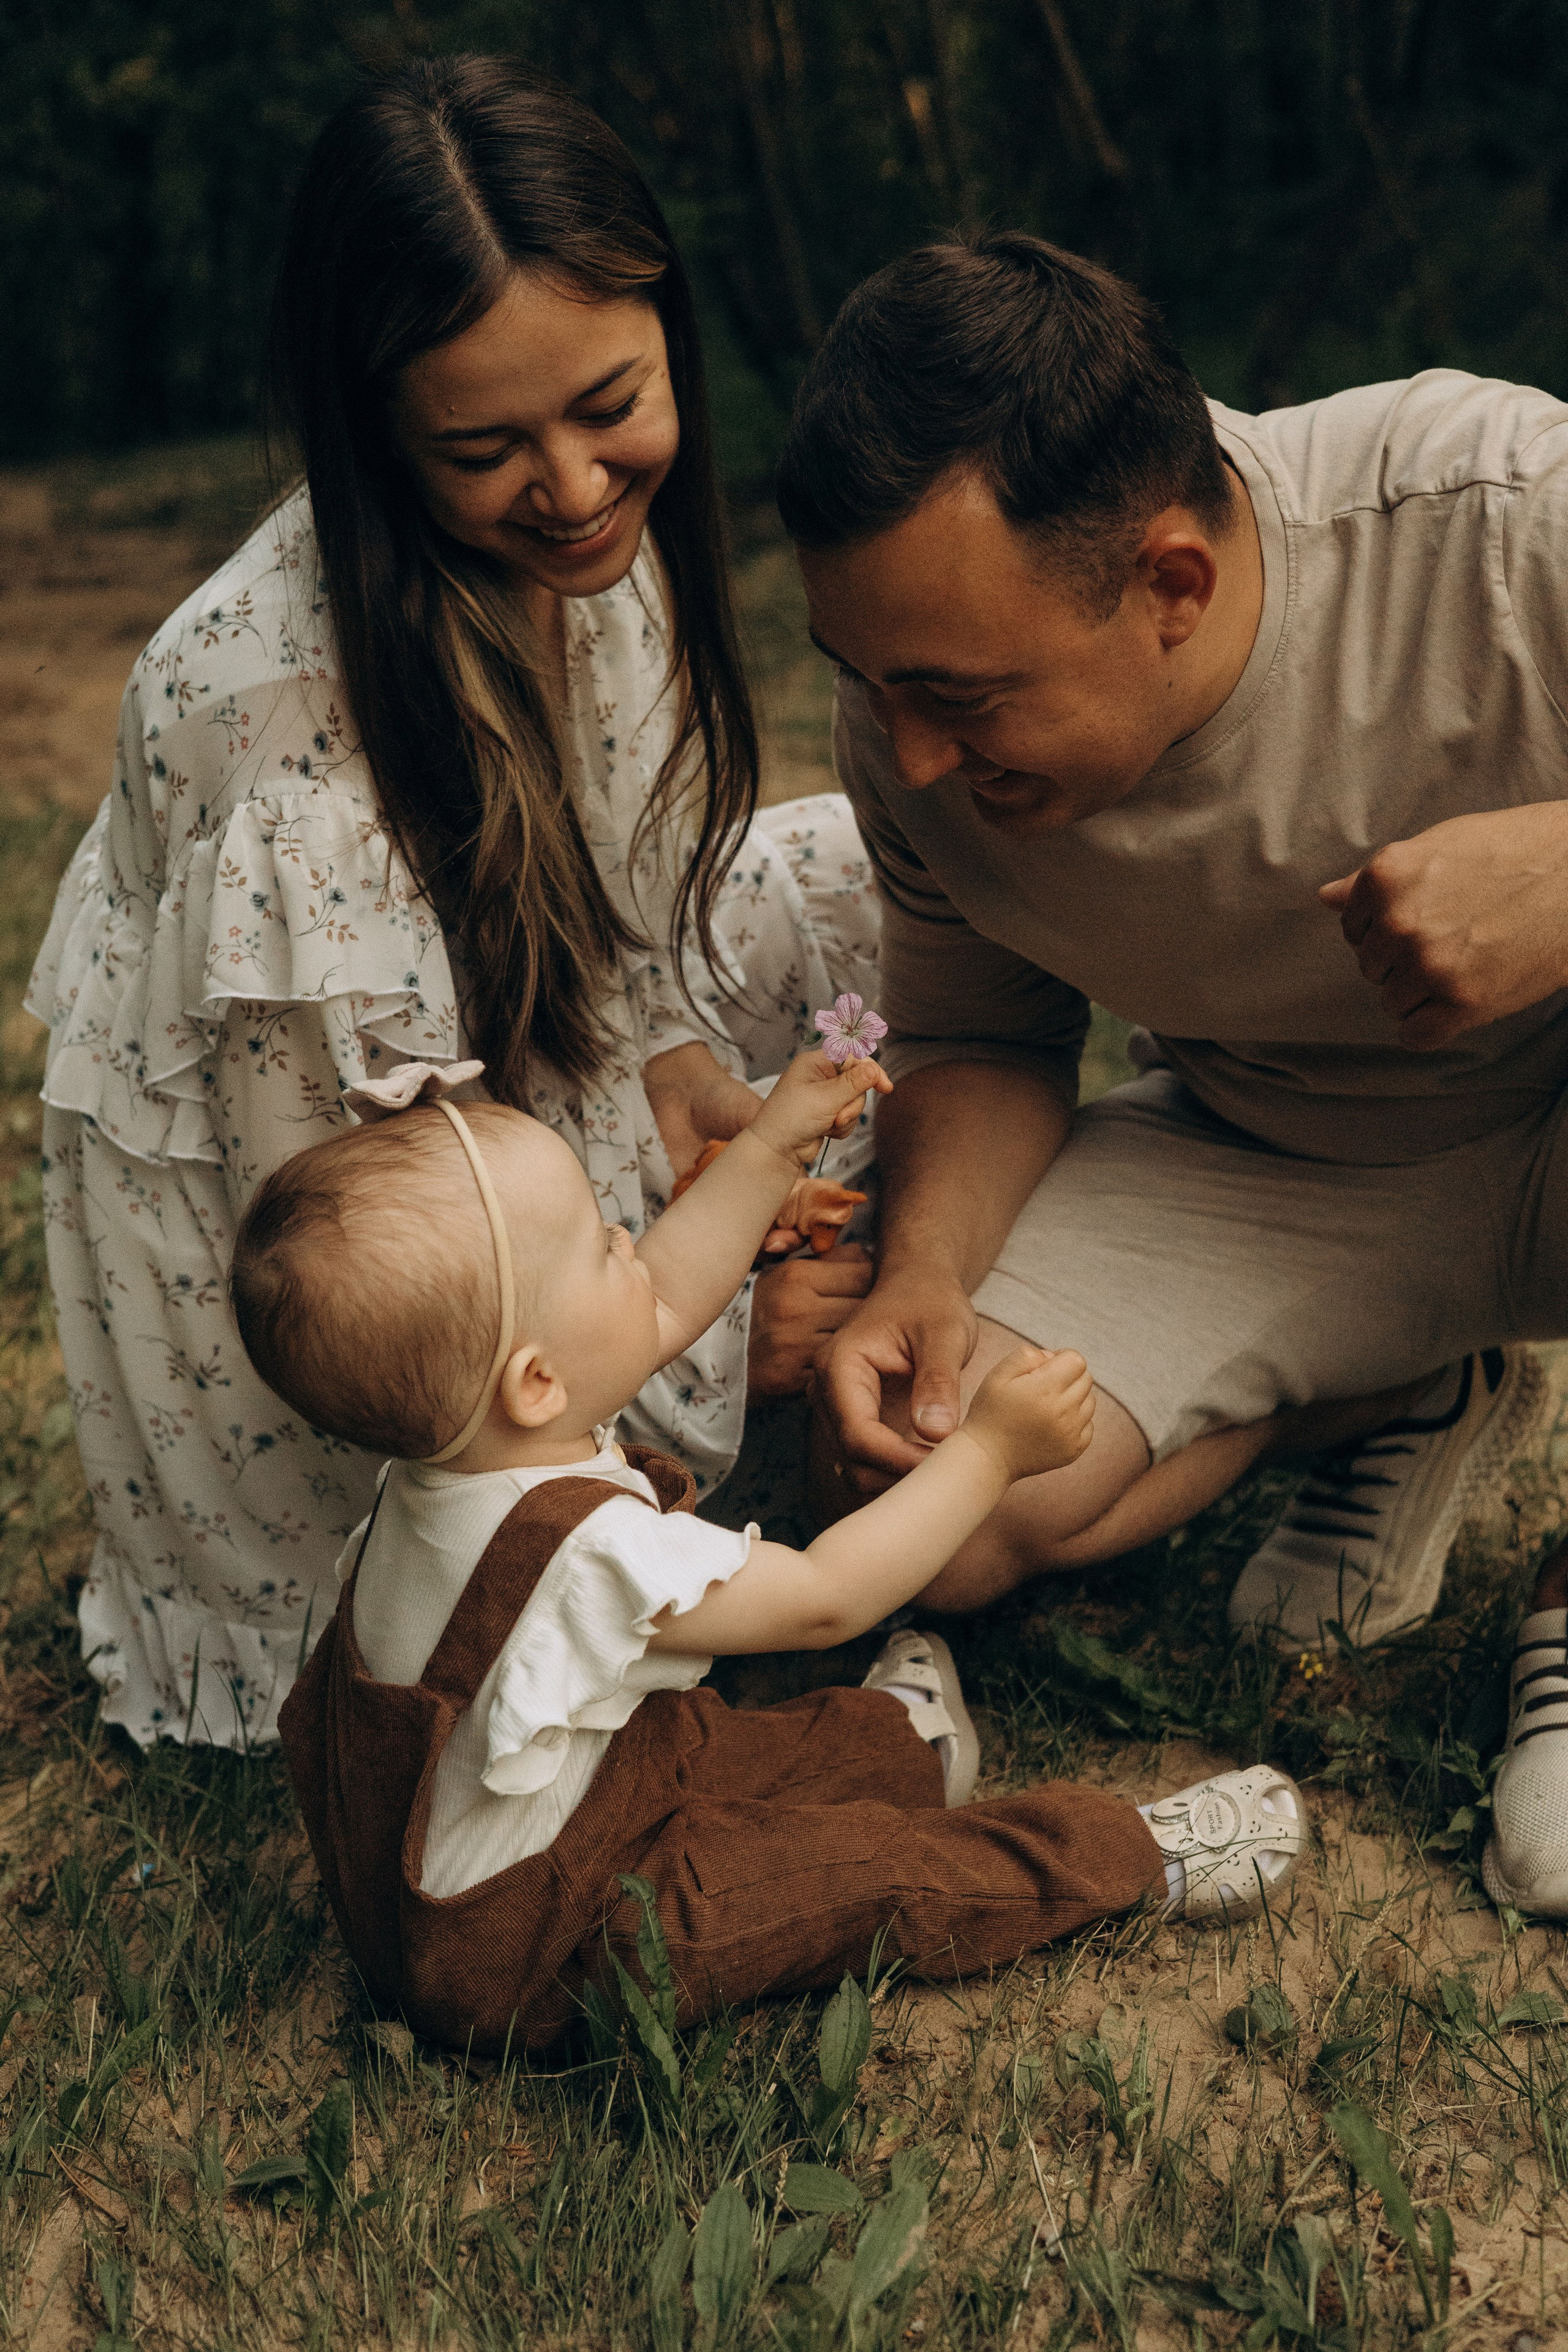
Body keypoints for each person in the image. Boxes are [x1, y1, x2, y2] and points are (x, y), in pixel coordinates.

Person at [24, 58, 878, 1754]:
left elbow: (609, 891)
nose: (572, 487)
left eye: (610, 405)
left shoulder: (587, 558)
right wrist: (704, 1335)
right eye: (483, 449)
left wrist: (670, 1066)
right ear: (375, 439)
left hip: (505, 1098)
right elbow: (393, 1272)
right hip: (373, 1234)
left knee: (873, 873)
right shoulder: (293, 753)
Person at [773, 231, 1568, 1917]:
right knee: (929, 1489)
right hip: (1273, 1158)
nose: (906, 750)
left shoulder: (1505, 518)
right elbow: (982, 1034)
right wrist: (920, 1276)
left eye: (957, 696)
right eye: (867, 680)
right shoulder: (906, 725)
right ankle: (1405, 1389)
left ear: (1174, 585)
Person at [230, 1049, 1303, 2053]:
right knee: (863, 1879)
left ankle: (907, 1748)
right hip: (550, 1950)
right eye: (603, 1244)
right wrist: (989, 1453)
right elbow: (829, 1595)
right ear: (538, 1381)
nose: (632, 1243)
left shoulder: (450, 1468)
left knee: (719, 1746)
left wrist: (769, 1146)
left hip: (515, 1847)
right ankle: (1136, 1859)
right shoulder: (588, 1555)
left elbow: (664, 1291)